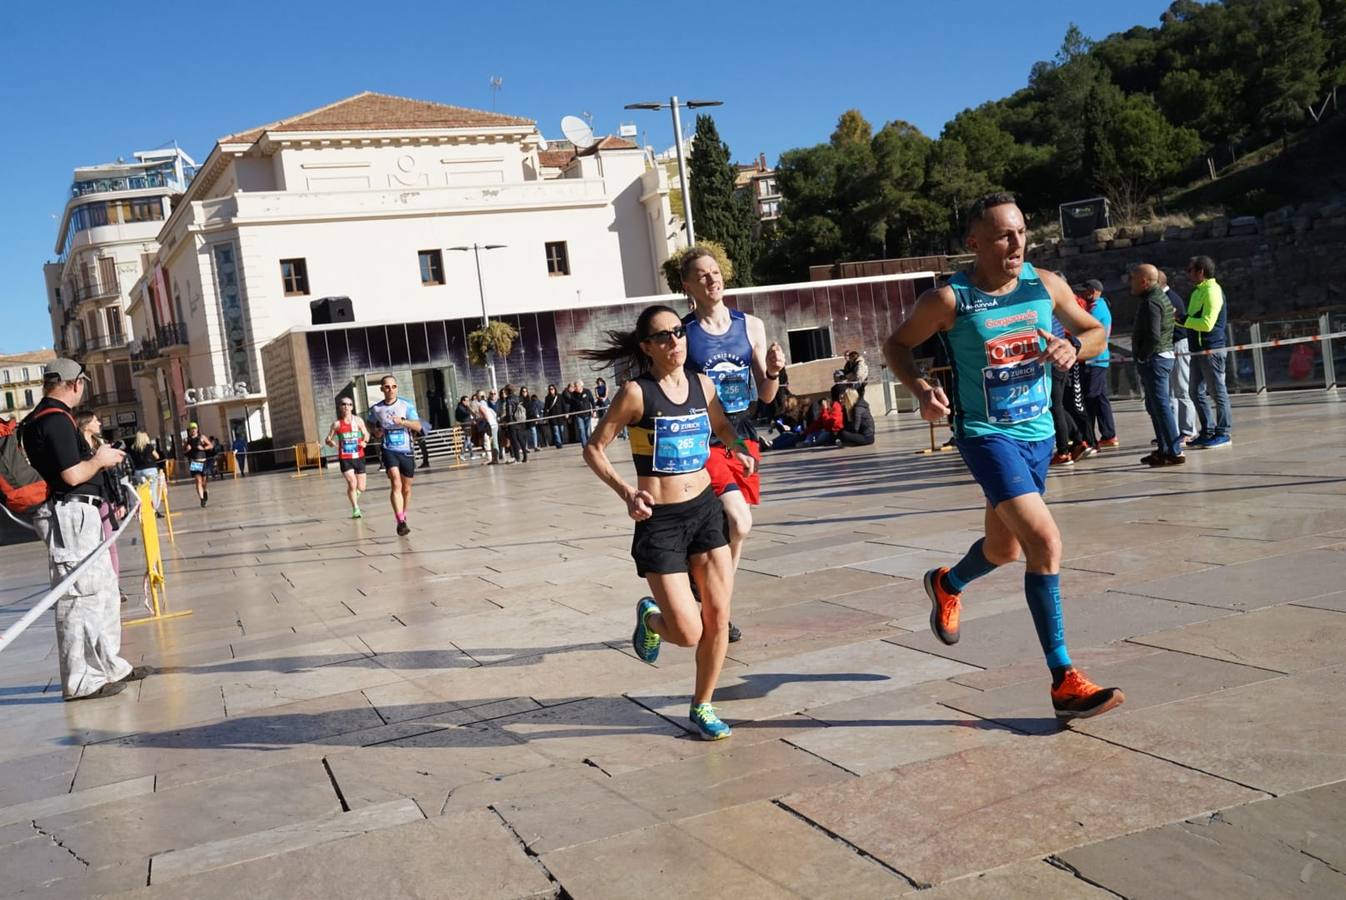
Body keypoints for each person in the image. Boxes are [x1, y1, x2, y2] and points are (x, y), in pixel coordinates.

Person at [882, 192, 1125, 721]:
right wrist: (922, 390)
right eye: (1002, 235)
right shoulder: (950, 300)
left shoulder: (1046, 284)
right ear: (975, 243)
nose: (1016, 243)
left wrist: (1073, 347)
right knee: (1045, 541)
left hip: (1039, 436)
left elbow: (1095, 330)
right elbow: (896, 346)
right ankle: (1064, 679)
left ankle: (947, 583)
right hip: (986, 435)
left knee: (1004, 550)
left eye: (1020, 232)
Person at [579, 305, 755, 740]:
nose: (675, 341)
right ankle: (652, 619)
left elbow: (722, 426)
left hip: (705, 511)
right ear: (647, 347)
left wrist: (739, 449)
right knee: (688, 632)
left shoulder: (703, 384)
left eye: (678, 332)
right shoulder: (636, 394)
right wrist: (627, 494)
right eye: (663, 337)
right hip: (660, 522)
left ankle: (702, 706)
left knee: (718, 616)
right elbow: (594, 448)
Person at [22, 359, 153, 700]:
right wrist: (100, 460)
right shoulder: (55, 420)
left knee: (103, 591)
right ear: (74, 383)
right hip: (69, 515)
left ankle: (110, 665)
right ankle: (79, 680)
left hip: (78, 514)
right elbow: (72, 475)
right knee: (77, 597)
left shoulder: (40, 419)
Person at [679, 247, 787, 643]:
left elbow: (768, 395)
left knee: (735, 532)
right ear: (688, 286)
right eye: (702, 275)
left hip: (743, 439)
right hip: (705, 441)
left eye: (715, 272)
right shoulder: (684, 333)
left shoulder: (750, 325)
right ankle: (712, 602)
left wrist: (774, 371)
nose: (712, 279)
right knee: (740, 521)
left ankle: (717, 606)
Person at [1129, 264, 1184, 467]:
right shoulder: (1158, 297)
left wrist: (1143, 356)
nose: (1130, 283)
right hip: (1161, 357)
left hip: (1156, 359)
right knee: (1155, 405)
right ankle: (1164, 449)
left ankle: (1174, 451)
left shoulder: (1152, 302)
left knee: (1161, 406)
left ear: (1144, 281)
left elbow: (1153, 335)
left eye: (1133, 279)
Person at [1184, 255, 1232, 449]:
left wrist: (1183, 320)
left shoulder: (1212, 291)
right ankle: (1208, 430)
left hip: (1212, 349)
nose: (1188, 274)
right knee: (1195, 392)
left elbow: (1206, 323)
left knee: (1217, 392)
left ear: (1200, 272)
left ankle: (1223, 432)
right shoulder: (1197, 292)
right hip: (1197, 350)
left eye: (1190, 270)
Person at [367, 375, 424, 535]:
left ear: (397, 388)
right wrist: (375, 431)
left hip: (406, 450)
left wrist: (403, 422)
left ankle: (403, 514)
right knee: (396, 483)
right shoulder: (377, 408)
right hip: (388, 449)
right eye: (387, 387)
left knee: (406, 488)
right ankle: (400, 521)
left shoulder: (406, 405)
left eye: (393, 386)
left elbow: (418, 426)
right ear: (382, 389)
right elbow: (370, 422)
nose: (390, 390)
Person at [1158, 271, 1199, 444]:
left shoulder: (1170, 299)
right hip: (1170, 345)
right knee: (1171, 392)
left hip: (1178, 344)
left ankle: (1188, 430)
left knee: (1182, 388)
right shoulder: (1164, 298)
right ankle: (1173, 430)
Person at [1077, 279, 1118, 449]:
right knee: (1100, 398)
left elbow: (1084, 327)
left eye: (1085, 291)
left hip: (1096, 358)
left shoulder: (1098, 308)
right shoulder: (1095, 306)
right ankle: (1109, 434)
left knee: (1091, 398)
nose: (1082, 294)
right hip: (1096, 359)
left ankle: (1090, 437)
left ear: (1093, 291)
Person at [325, 397, 371, 518]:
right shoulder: (336, 424)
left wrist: (365, 442)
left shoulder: (359, 421)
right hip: (345, 457)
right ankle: (355, 508)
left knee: (362, 487)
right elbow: (328, 439)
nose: (346, 406)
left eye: (349, 404)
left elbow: (366, 434)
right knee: (352, 482)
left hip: (359, 456)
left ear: (352, 407)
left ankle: (354, 495)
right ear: (340, 407)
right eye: (344, 404)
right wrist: (330, 442)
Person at [127, 430, 162, 516]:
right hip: (150, 470)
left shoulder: (133, 448)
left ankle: (143, 509)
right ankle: (154, 510)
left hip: (138, 471)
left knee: (142, 491)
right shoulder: (149, 446)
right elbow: (157, 456)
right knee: (153, 490)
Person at [185, 422, 213, 507]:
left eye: (194, 428)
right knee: (198, 481)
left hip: (203, 461)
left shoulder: (202, 437)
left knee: (204, 482)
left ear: (197, 429)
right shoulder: (187, 440)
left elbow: (211, 445)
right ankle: (201, 499)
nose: (193, 430)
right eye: (191, 429)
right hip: (194, 462)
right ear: (189, 431)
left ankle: (205, 491)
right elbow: (184, 452)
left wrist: (203, 448)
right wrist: (187, 449)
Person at [500, 384, 528, 464]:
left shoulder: (509, 400)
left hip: (512, 422)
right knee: (520, 439)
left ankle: (517, 458)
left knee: (514, 441)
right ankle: (525, 457)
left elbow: (509, 413)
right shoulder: (517, 398)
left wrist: (507, 421)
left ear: (507, 391)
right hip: (519, 421)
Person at [543, 384, 565, 448]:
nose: (551, 390)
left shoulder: (560, 396)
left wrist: (566, 413)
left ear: (555, 389)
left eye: (552, 389)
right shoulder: (547, 398)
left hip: (560, 416)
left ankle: (560, 441)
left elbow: (563, 405)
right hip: (553, 417)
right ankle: (559, 443)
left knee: (561, 429)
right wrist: (545, 417)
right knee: (556, 430)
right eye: (550, 389)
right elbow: (546, 408)